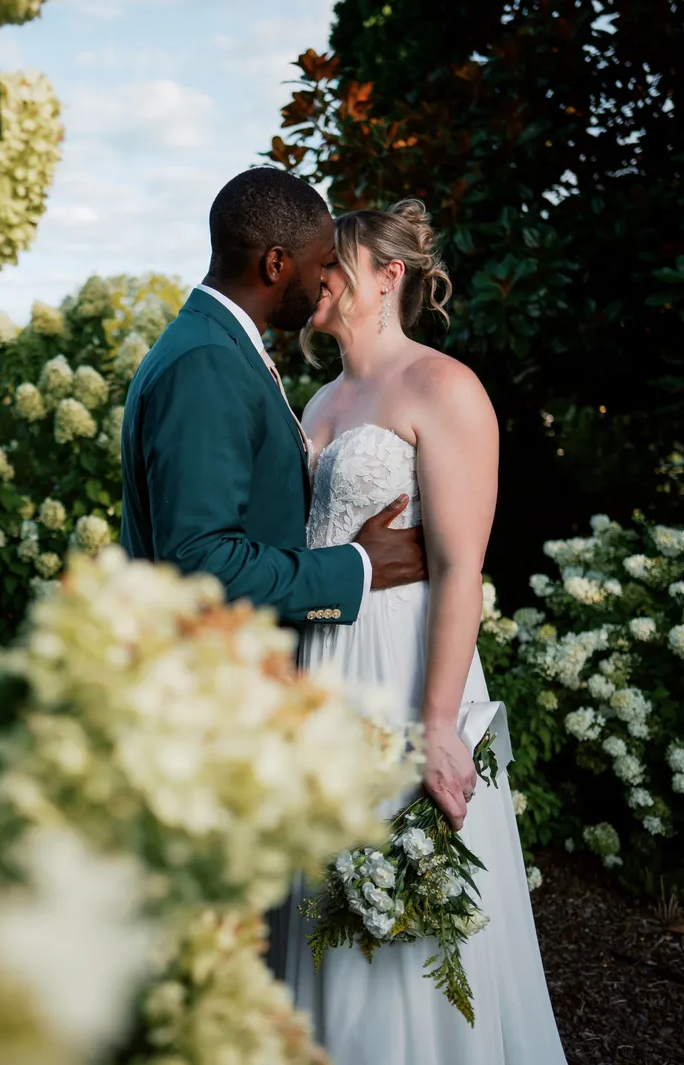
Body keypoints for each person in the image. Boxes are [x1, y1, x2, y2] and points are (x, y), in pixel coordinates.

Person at [277, 199, 566, 1064]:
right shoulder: (321, 397)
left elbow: (459, 571)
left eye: (336, 263)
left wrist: (439, 724)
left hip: (403, 670)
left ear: (388, 277)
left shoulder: (445, 387)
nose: (318, 276)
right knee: (322, 899)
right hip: (322, 665)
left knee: (406, 912)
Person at [119, 167, 427, 630]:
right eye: (323, 261)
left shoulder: (215, 345)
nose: (326, 278)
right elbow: (200, 564)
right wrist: (358, 566)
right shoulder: (208, 361)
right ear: (276, 264)